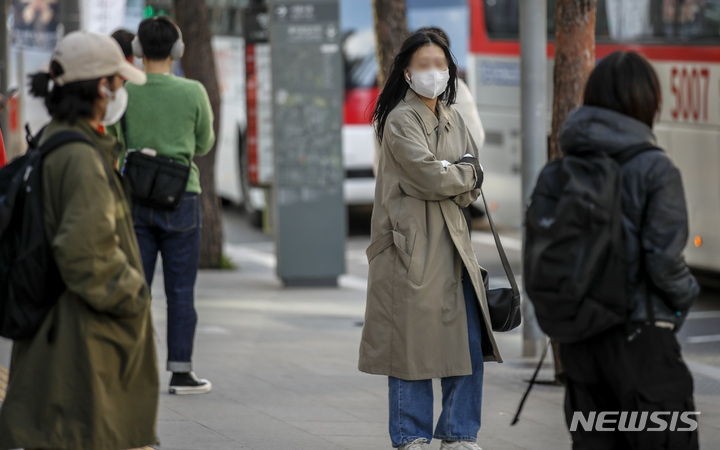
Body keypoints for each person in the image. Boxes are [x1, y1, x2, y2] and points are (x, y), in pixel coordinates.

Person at [0, 31, 158, 449]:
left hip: (55, 335)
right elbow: (86, 253)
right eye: (119, 81)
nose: (122, 89)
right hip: (80, 345)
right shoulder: (81, 158)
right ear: (100, 87)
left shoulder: (56, 141)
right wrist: (135, 295)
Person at [358, 30, 502, 450]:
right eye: (424, 64)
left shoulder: (453, 115)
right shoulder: (400, 120)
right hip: (411, 247)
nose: (433, 72)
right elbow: (427, 175)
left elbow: (473, 177)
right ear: (406, 71)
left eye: (440, 64)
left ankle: (459, 433)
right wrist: (456, 174)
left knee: (467, 343)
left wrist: (457, 174)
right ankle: (411, 434)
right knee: (411, 348)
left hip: (454, 245)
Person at [557, 51, 700, 450]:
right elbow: (664, 261)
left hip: (582, 345)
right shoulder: (656, 170)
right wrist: (684, 299)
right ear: (647, 101)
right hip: (641, 343)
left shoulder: (568, 165)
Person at [108, 15, 215, 395]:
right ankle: (182, 372)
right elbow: (203, 144)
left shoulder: (126, 93)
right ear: (178, 50)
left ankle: (131, 369)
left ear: (136, 50)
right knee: (181, 292)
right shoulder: (194, 92)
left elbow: (113, 138)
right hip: (181, 197)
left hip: (134, 197)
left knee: (135, 287)